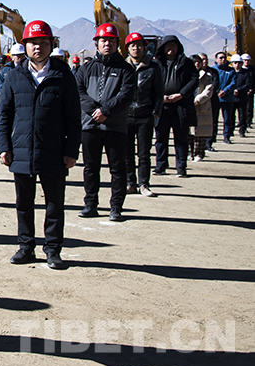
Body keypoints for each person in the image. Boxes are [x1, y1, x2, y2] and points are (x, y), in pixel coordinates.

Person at [0, 20, 81, 270]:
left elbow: (73, 117)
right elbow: (4, 115)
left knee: (54, 203)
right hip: (21, 150)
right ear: (25, 45)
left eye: (43, 42)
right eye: (33, 42)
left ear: (51, 45)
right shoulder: (14, 76)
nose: (38, 47)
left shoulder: (63, 76)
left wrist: (71, 150)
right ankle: (26, 247)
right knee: (24, 203)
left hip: (53, 150)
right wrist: (4, 146)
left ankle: (53, 249)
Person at [76, 23, 136, 221]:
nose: (107, 44)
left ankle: (116, 207)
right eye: (103, 40)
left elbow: (126, 94)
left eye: (111, 41)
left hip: (115, 126)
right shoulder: (86, 69)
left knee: (117, 168)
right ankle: (90, 204)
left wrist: (106, 111)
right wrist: (94, 111)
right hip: (90, 125)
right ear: (96, 43)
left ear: (117, 43)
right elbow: (79, 92)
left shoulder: (126, 69)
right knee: (90, 168)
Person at [124, 33, 163, 197]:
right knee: (126, 153)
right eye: (132, 45)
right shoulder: (123, 67)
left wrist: (155, 113)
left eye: (139, 45)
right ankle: (130, 183)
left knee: (144, 153)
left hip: (145, 116)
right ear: (127, 48)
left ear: (144, 47)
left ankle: (144, 184)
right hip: (125, 116)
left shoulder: (153, 68)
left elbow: (159, 93)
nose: (136, 48)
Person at [153, 35, 197, 177]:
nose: (170, 48)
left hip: (181, 105)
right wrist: (160, 98)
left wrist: (182, 94)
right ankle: (160, 165)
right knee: (160, 137)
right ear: (163, 47)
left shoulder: (187, 62)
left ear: (178, 47)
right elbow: (150, 82)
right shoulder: (156, 63)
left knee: (181, 138)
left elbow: (194, 81)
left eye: (173, 45)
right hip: (162, 105)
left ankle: (181, 167)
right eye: (168, 45)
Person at [189, 55, 215, 161]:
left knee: (201, 132)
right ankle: (189, 153)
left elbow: (208, 91)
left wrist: (197, 100)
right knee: (188, 132)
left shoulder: (207, 76)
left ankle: (199, 153)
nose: (197, 64)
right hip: (188, 105)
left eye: (198, 62)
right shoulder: (185, 75)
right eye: (194, 62)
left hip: (202, 106)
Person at [215, 52, 237, 144]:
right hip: (215, 98)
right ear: (216, 59)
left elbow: (234, 82)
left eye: (224, 58)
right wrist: (217, 91)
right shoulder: (213, 70)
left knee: (227, 119)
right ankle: (212, 137)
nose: (223, 59)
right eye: (221, 58)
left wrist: (225, 91)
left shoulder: (231, 71)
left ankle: (227, 136)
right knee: (214, 119)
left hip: (227, 98)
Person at [201, 53, 222, 151]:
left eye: (206, 59)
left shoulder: (213, 72)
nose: (204, 61)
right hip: (198, 101)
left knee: (212, 122)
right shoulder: (193, 72)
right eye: (202, 59)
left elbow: (215, 84)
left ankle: (209, 143)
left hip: (211, 99)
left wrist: (207, 94)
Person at [230, 54, 251, 138]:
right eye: (235, 62)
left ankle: (242, 130)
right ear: (232, 63)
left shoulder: (246, 73)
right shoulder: (230, 72)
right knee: (231, 115)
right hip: (231, 97)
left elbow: (248, 84)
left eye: (239, 63)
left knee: (242, 115)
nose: (237, 64)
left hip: (242, 97)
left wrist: (238, 90)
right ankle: (230, 131)